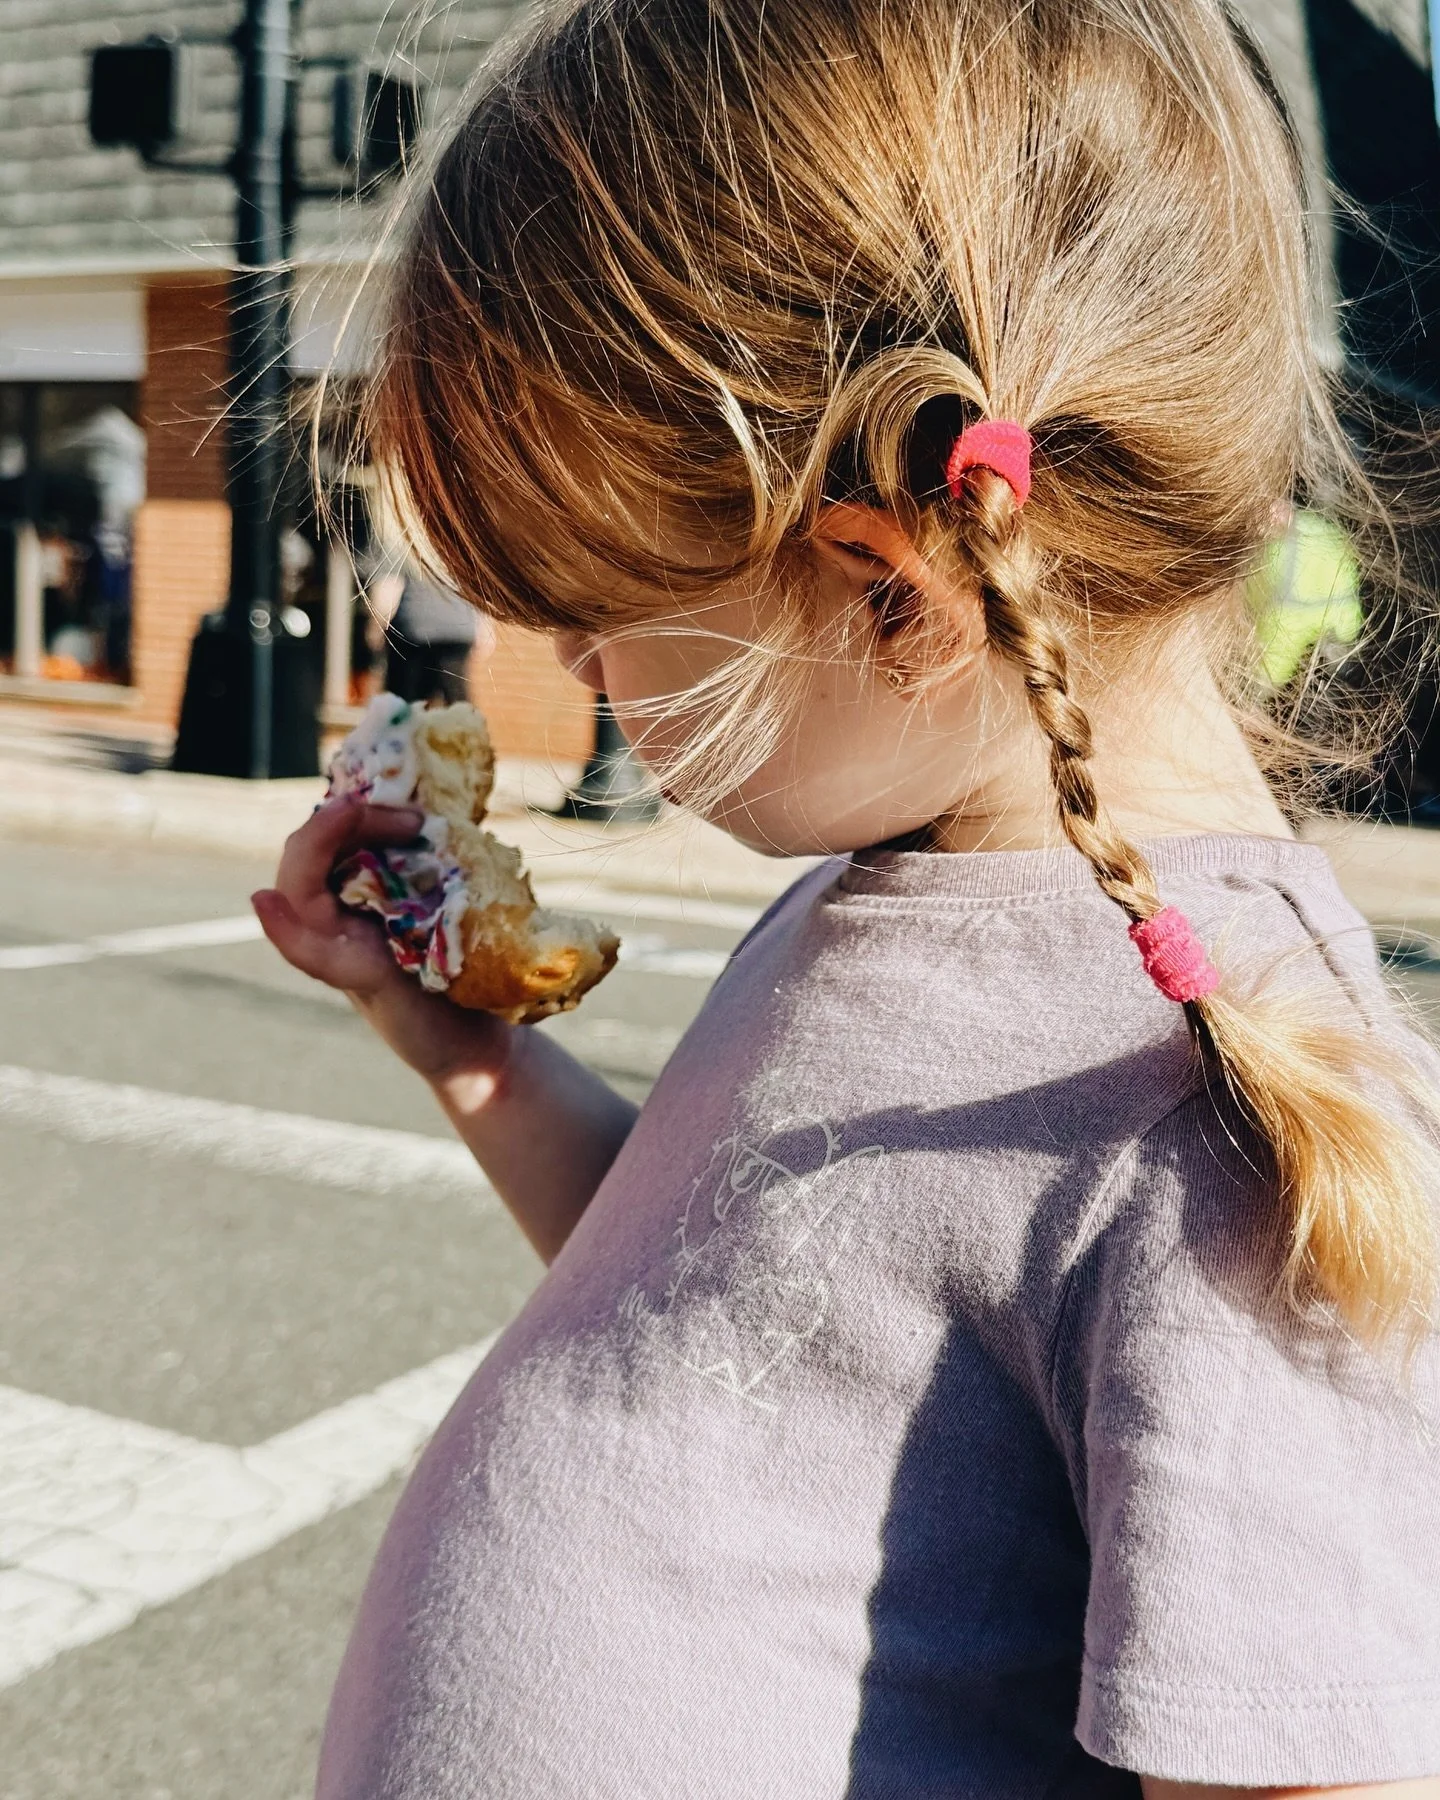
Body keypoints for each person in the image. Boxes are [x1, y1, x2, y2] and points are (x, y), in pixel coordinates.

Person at [251, 0, 1440, 1792]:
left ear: (890, 592)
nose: (573, 672)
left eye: (593, 627)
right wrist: (469, 1055)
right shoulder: (881, 888)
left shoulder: (1216, 1116)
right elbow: (717, 1301)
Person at [366, 550, 491, 705]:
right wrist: (483, 631)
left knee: (406, 699)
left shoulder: (407, 540)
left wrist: (376, 629)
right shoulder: (461, 544)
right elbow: (479, 590)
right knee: (456, 697)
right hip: (459, 629)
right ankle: (464, 726)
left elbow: (388, 588)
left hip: (415, 629)